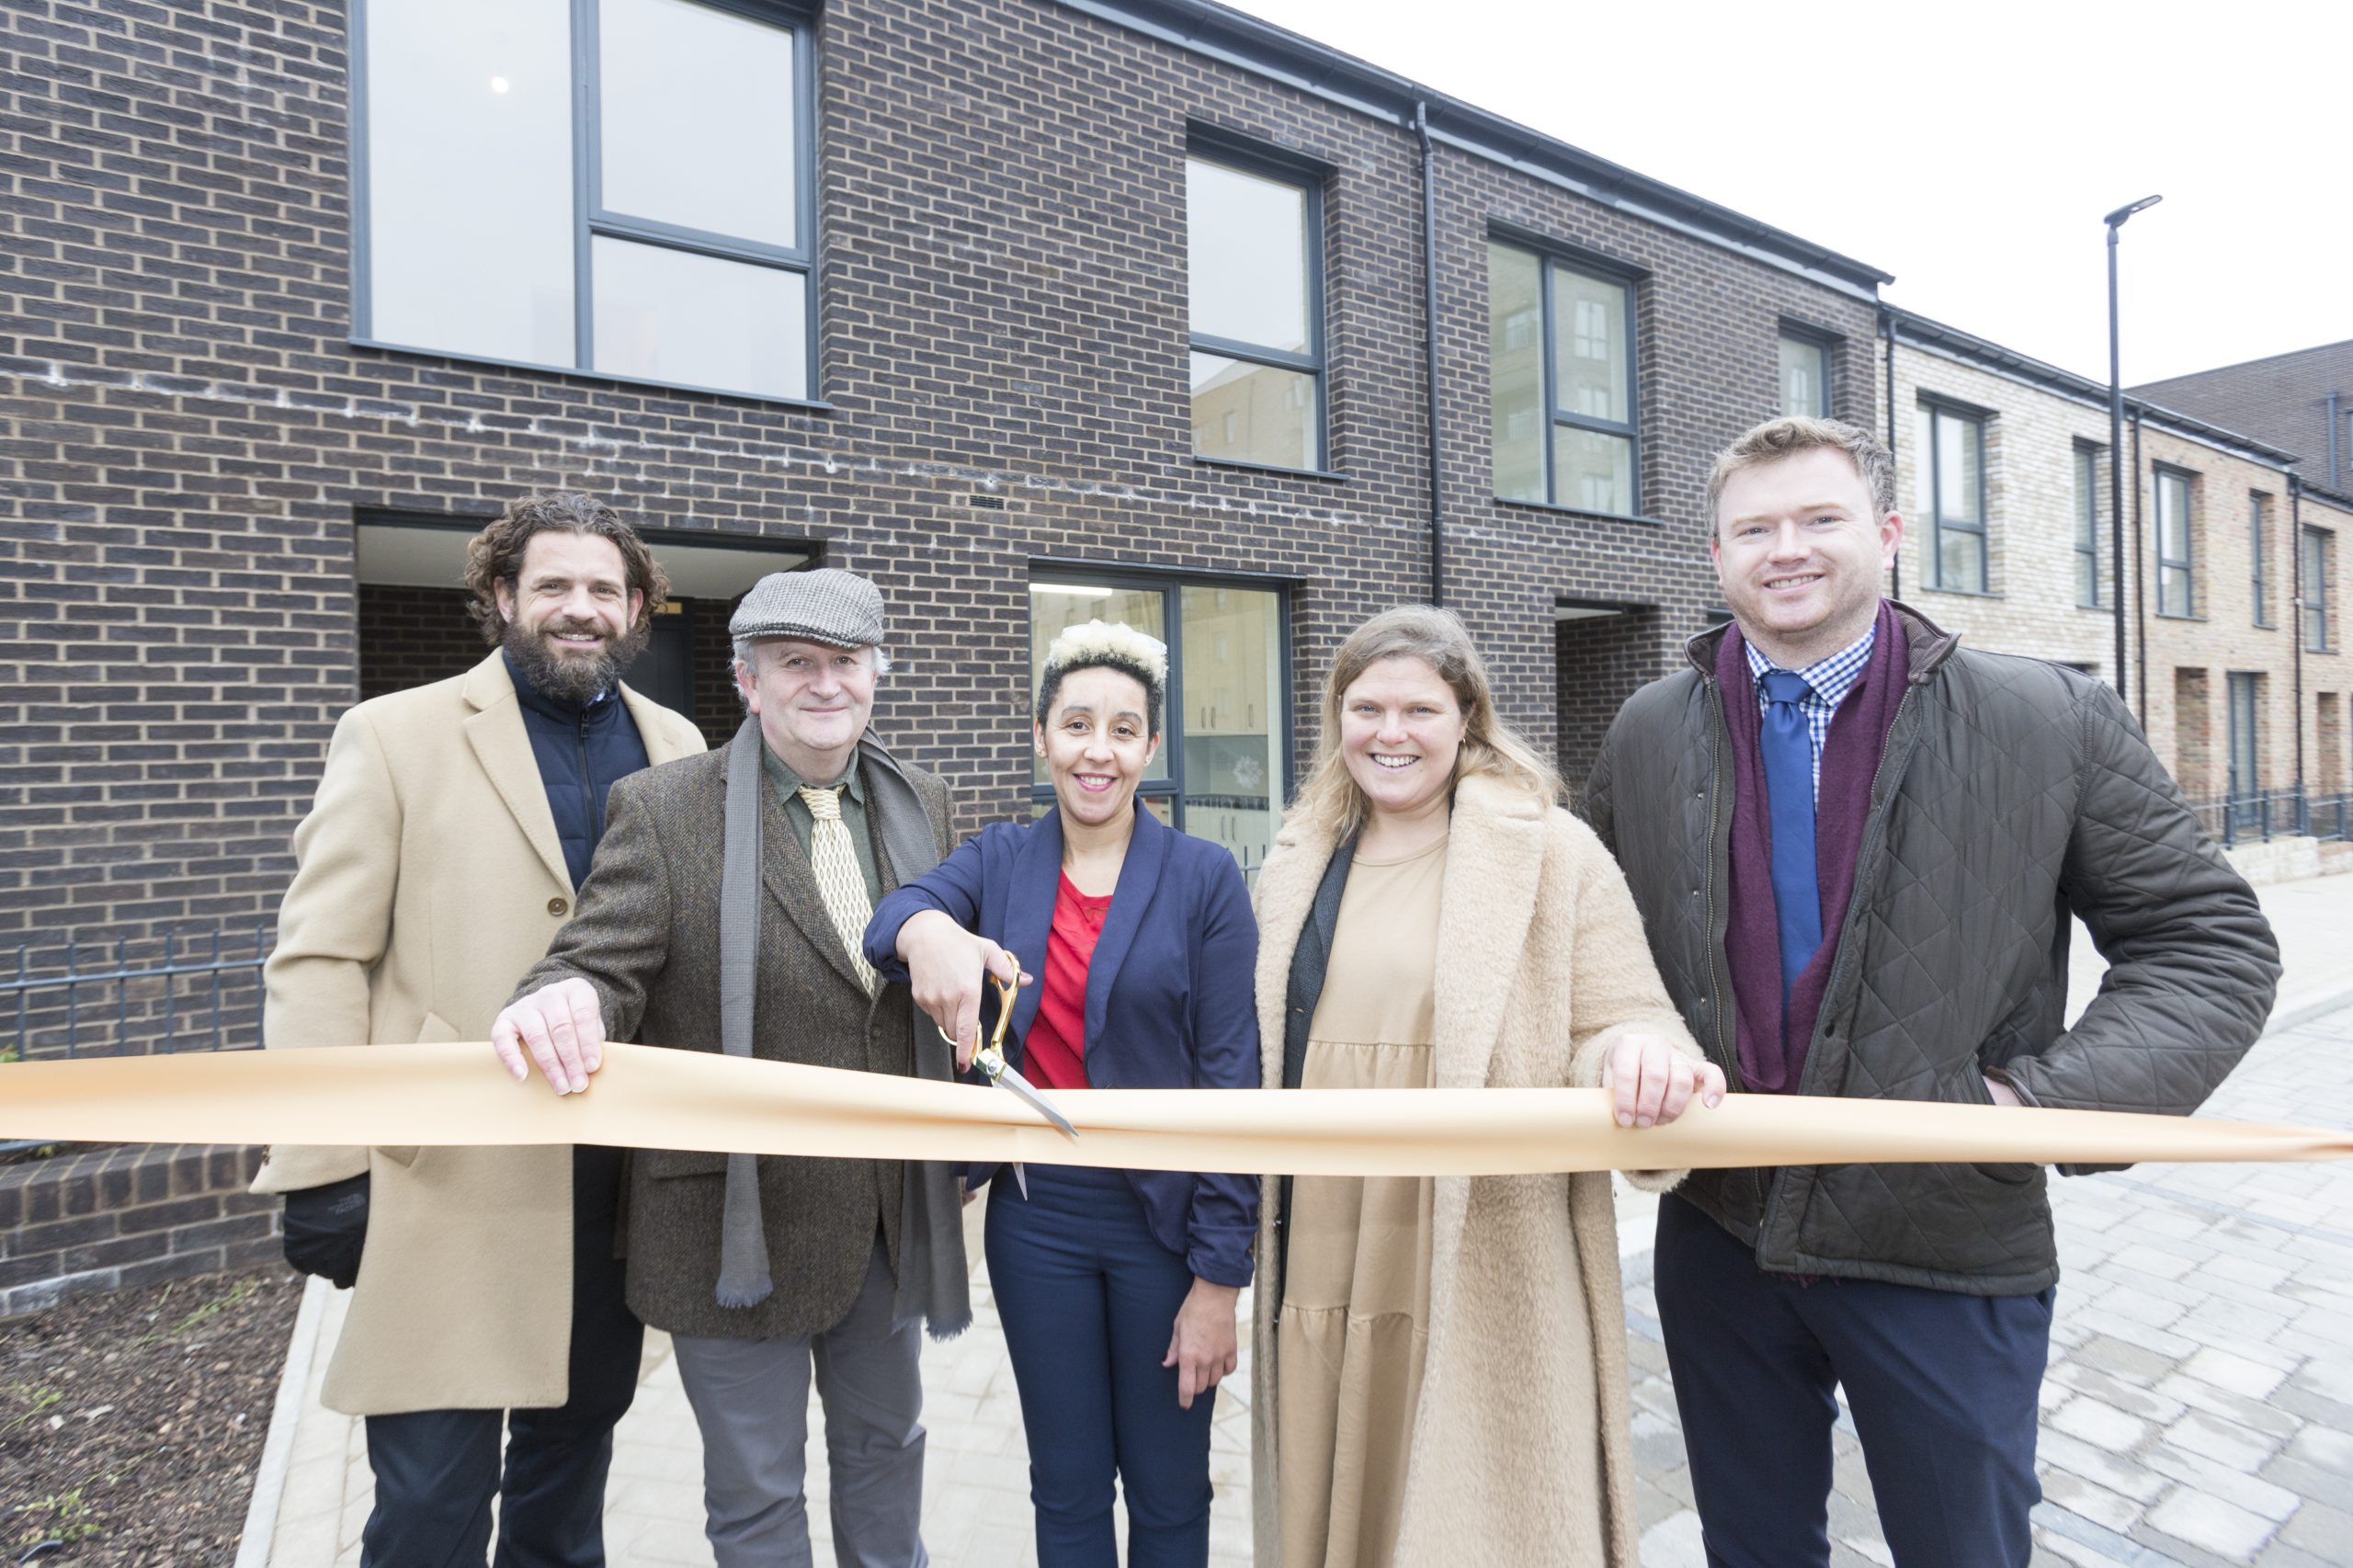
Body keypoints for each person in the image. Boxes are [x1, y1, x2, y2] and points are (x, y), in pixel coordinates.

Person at [1583, 415, 2282, 1568]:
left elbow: (2210, 944)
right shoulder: (1651, 728)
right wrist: (1624, 1037)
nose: (1785, 549)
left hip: (1944, 1238)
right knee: (1750, 1548)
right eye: (1752, 528)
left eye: (1820, 518)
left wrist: (2029, 1105)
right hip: (1718, 1235)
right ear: (1715, 556)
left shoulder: (2044, 715)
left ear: (1889, 533)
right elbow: (1593, 952)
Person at [251, 492, 705, 1566]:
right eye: (552, 584)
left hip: (615, 1184)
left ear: (636, 608)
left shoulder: (679, 742)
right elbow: (321, 956)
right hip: (448, 1186)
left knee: (568, 1479)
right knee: (428, 1509)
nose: (578, 608)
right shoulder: (392, 733)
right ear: (502, 596)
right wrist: (320, 1164)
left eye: (604, 588)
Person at [491, 567, 965, 1568]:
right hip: (728, 1228)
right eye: (797, 663)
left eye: (845, 660)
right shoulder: (665, 808)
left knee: (889, 1453)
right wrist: (564, 994)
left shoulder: (922, 802)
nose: (824, 683)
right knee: (755, 1492)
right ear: (750, 682)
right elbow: (594, 958)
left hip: (886, 1216)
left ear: (876, 674)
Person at [1249, 605, 1722, 1568]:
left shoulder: (1550, 851)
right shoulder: (1299, 854)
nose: (1389, 732)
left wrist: (1638, 1055)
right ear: (1337, 717)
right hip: (1322, 1234)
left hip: (1470, 1239)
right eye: (1365, 706)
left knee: (1467, 1515)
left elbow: (1624, 1016)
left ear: (1466, 717)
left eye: (1418, 708)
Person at [862, 619, 1259, 1568]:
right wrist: (931, 935)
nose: (1098, 749)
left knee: (1169, 1488)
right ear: (1042, 736)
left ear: (1150, 749)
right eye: (1076, 724)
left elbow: (1231, 1081)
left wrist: (1219, 1279)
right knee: (1067, 1486)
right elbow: (890, 918)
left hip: (1166, 1222)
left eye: (1123, 729)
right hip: (1037, 1222)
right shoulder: (1000, 859)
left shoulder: (1204, 877)